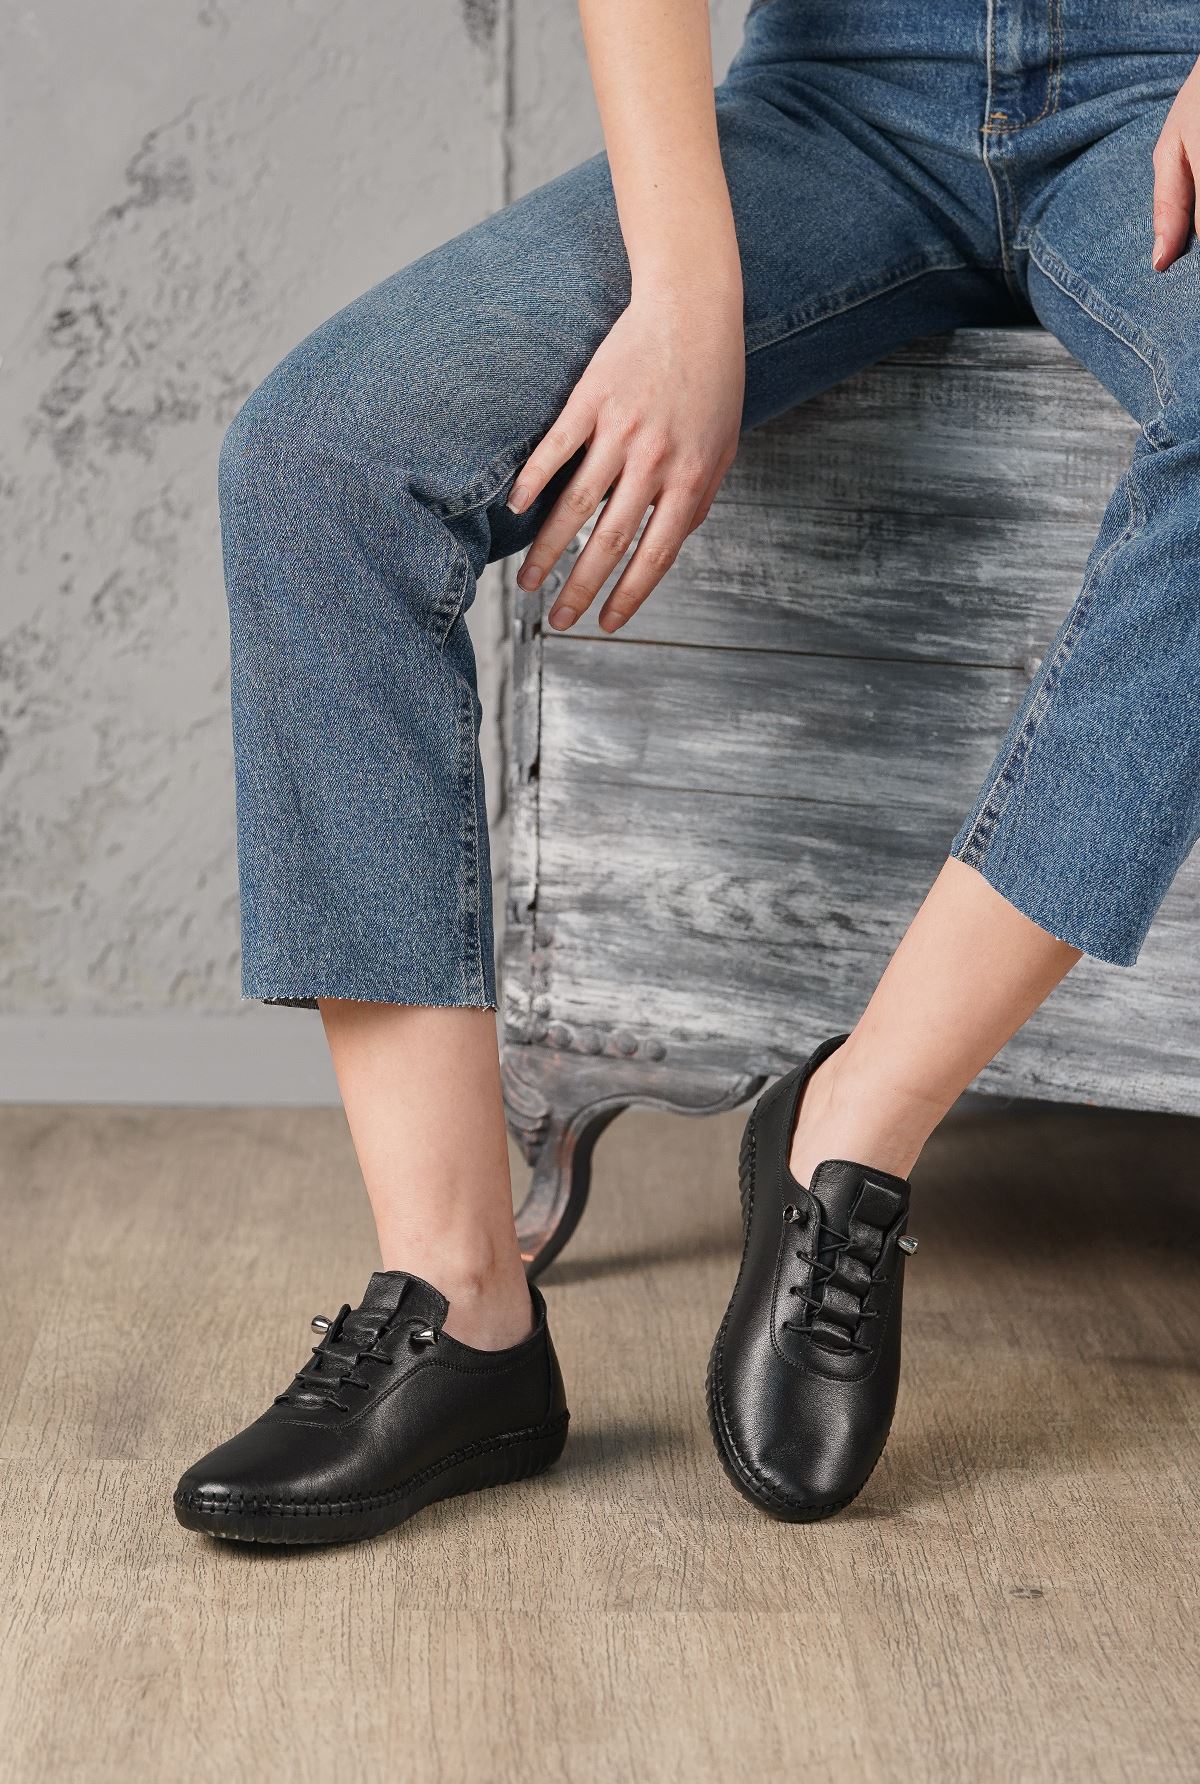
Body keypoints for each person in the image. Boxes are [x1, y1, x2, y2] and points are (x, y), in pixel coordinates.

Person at [173, 0, 1200, 1543]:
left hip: (1161, 84)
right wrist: (685, 281)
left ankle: (853, 1128)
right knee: (321, 464)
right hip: (845, 96)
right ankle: (459, 1310)